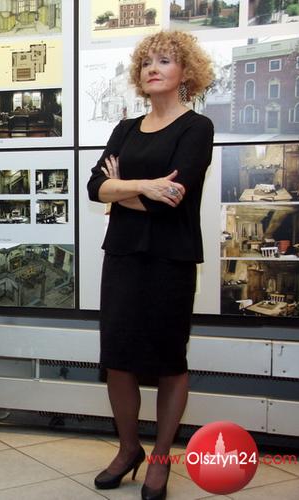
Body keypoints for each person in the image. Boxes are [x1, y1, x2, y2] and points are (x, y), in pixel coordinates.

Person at [86, 31, 214, 500]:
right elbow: (94, 188)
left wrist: (121, 190)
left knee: (167, 360)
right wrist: (144, 186)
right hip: (123, 255)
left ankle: (160, 458)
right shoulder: (125, 129)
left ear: (186, 72)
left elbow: (171, 201)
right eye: (146, 63)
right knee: (118, 358)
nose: (152, 69)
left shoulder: (196, 128)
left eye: (164, 61)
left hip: (169, 258)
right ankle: (128, 450)